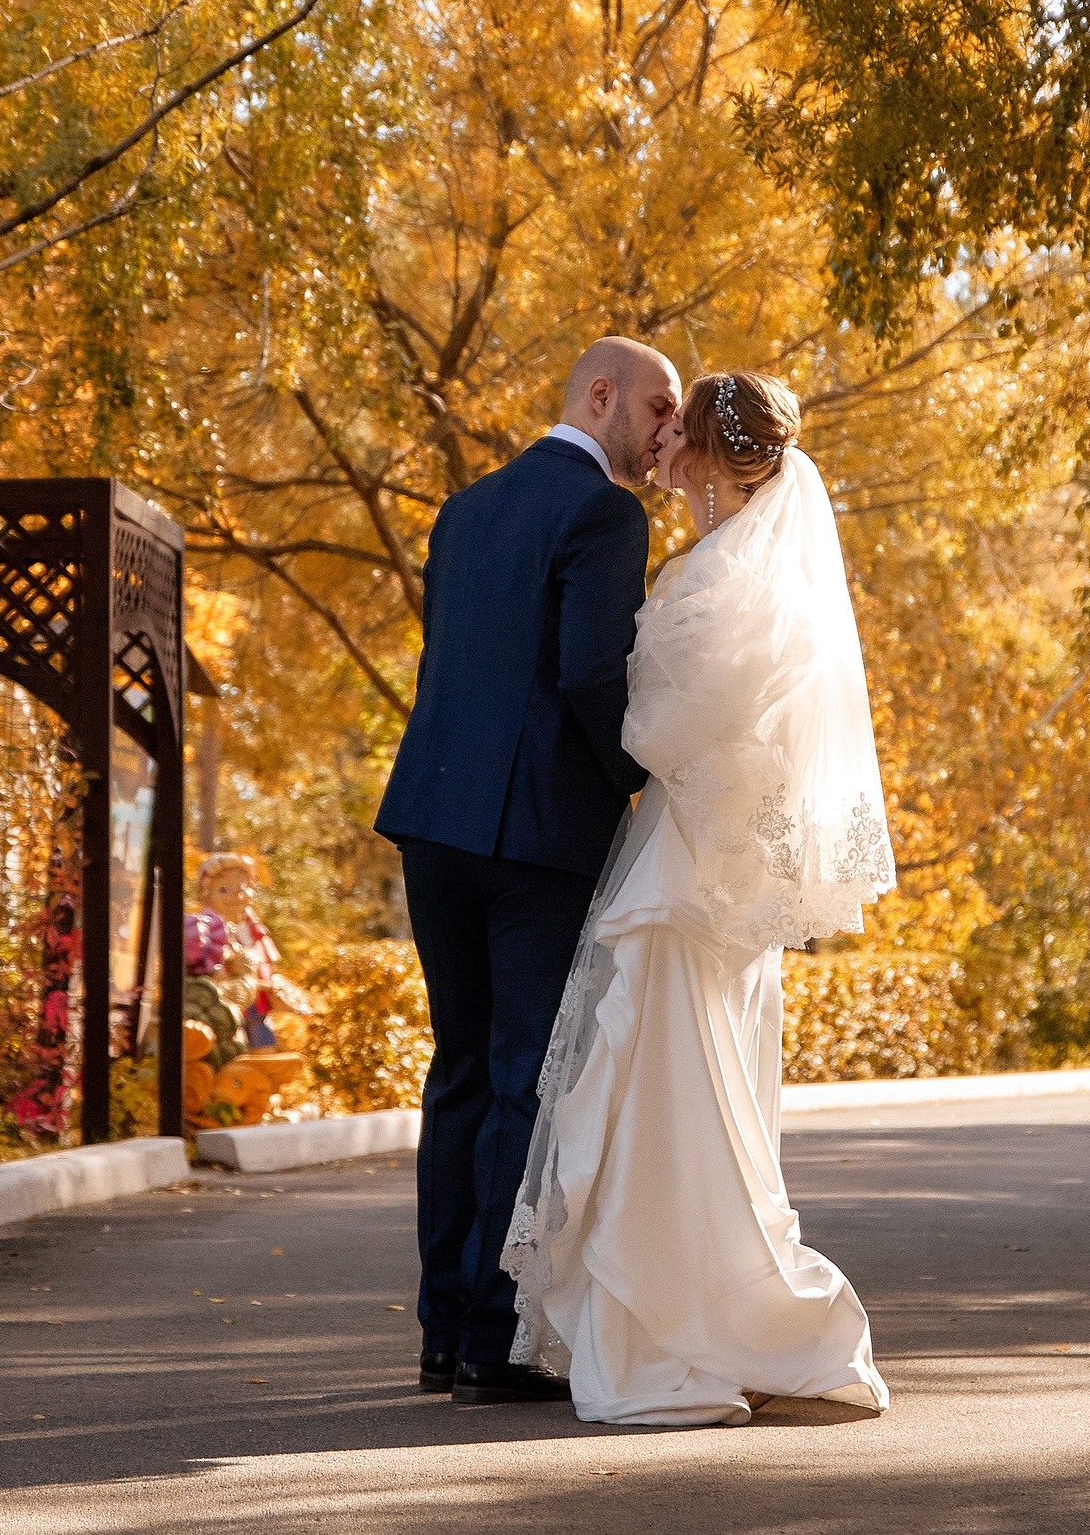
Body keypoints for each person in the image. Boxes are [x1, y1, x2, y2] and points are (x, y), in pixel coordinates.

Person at [502, 371, 897, 1425]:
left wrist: (607, 705)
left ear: (710, 458)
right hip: (704, 871)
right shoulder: (746, 572)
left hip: (686, 879)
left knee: (667, 1088)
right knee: (681, 1090)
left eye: (678, 424)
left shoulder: (724, 580)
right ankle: (700, 1310)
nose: (662, 436)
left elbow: (659, 732)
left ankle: (676, 1328)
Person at [373, 334, 681, 1405]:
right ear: (600, 395)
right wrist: (637, 777)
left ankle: (439, 1330)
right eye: (657, 407)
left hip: (431, 820)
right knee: (520, 1079)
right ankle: (492, 1341)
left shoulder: (462, 511)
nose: (665, 431)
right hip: (536, 835)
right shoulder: (605, 514)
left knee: (458, 1070)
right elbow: (591, 671)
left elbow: (454, 663)